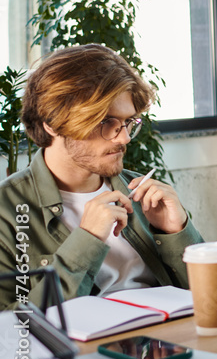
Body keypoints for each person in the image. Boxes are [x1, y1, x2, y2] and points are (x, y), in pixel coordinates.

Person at [0, 45, 204, 310]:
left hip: (162, 342)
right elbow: (11, 330)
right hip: (79, 350)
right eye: (105, 122)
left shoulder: (144, 194)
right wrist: (87, 239)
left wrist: (177, 232)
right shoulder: (7, 211)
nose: (124, 137)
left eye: (128, 122)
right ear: (51, 122)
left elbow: (210, 298)